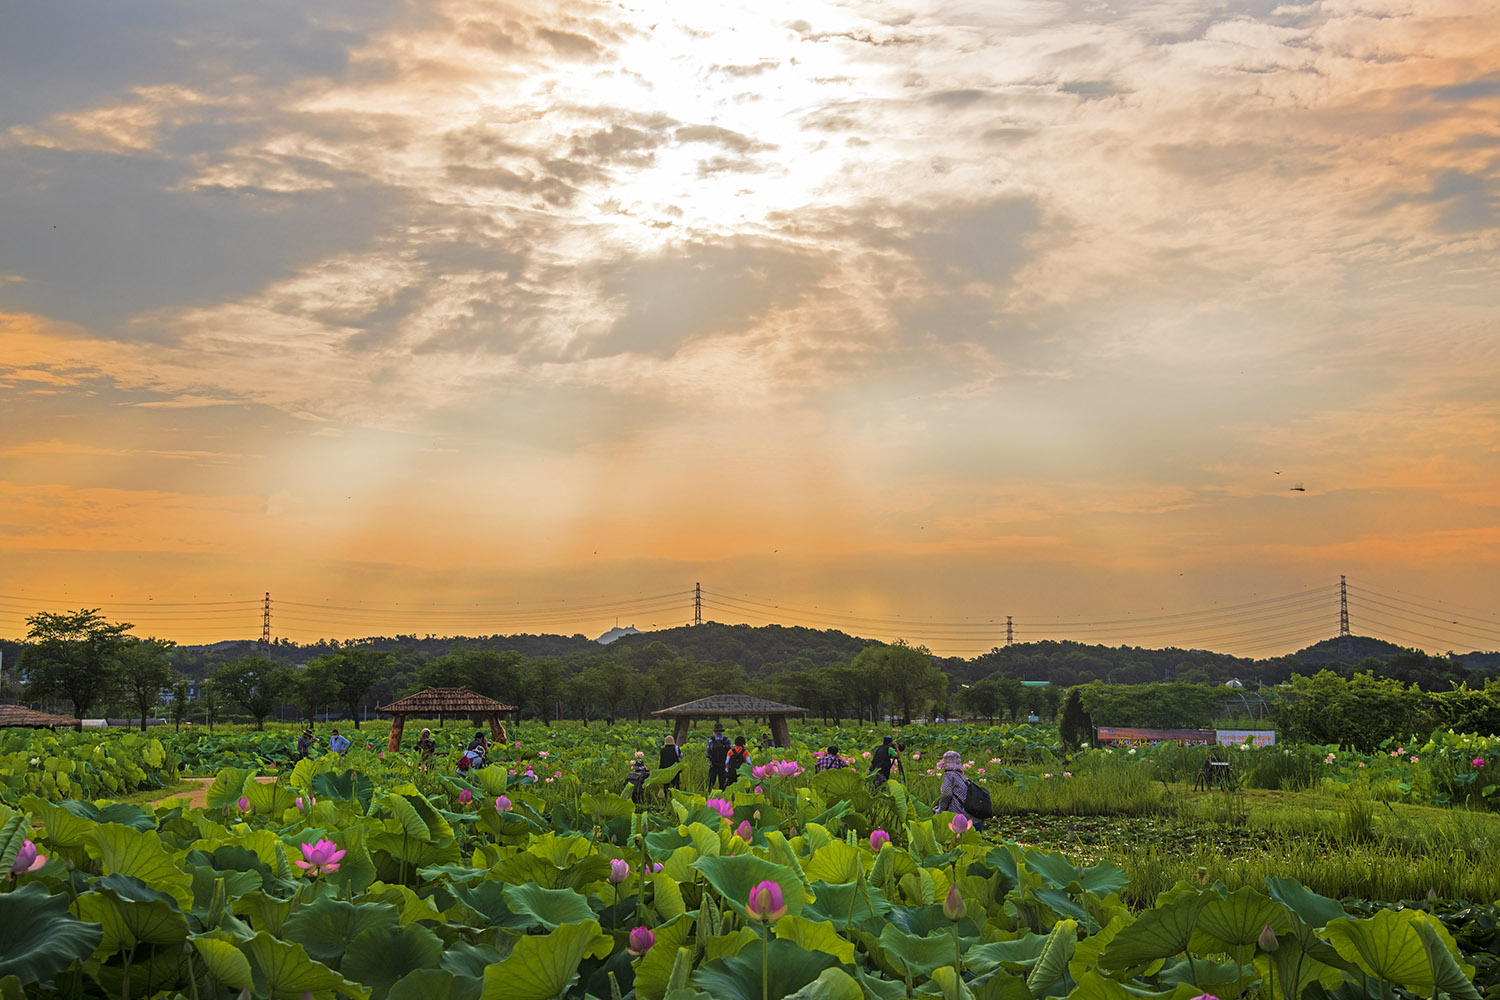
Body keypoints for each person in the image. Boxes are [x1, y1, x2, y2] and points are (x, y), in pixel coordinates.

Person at [934, 750, 983, 831]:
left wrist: (940, 809)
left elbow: (946, 794)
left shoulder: (949, 775)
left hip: (961, 819)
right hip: (974, 818)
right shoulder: (962, 776)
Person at [706, 724, 731, 790]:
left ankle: (709, 794)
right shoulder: (727, 740)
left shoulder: (711, 740)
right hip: (723, 764)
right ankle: (722, 794)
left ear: (714, 731)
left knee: (711, 783)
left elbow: (707, 754)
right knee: (722, 783)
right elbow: (730, 753)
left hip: (713, 765)